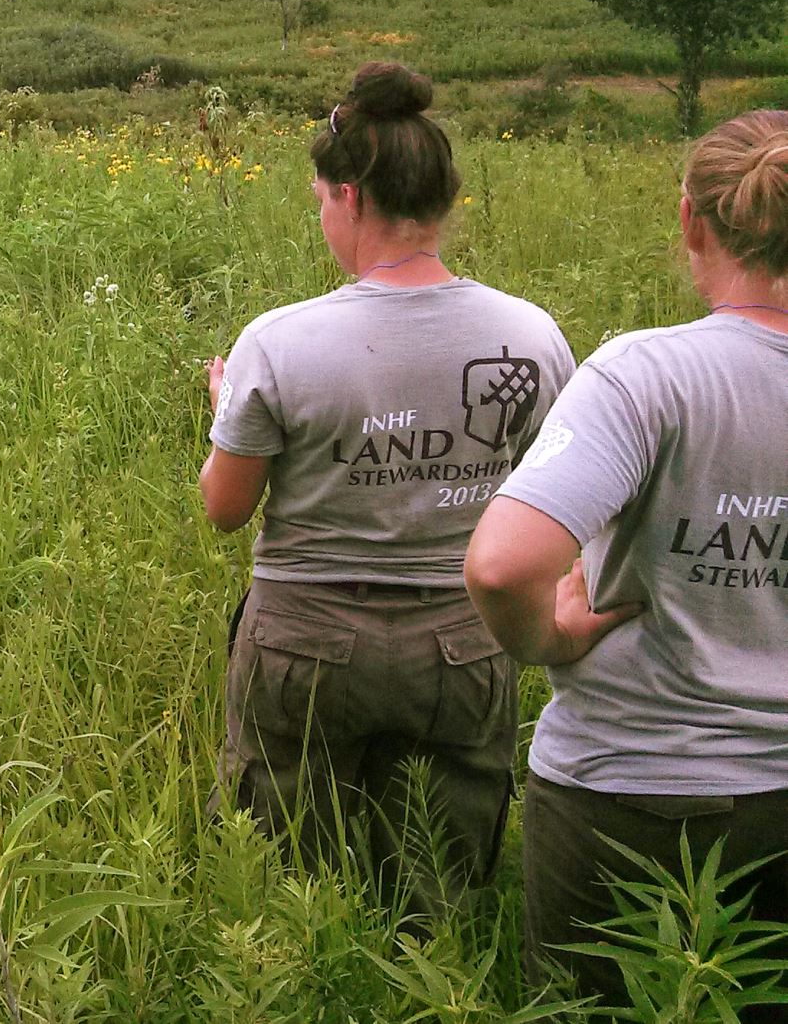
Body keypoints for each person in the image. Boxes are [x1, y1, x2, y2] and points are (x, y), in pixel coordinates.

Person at [203, 63, 573, 911]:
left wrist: (226, 414)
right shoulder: (531, 335)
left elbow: (225, 511)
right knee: (442, 885)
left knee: (290, 878)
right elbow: (551, 501)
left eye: (321, 198)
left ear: (351, 198)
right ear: (442, 199)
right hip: (464, 639)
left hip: (304, 641)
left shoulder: (280, 342)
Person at [468, 109, 788, 1013]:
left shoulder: (648, 376)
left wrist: (550, 638)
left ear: (692, 221)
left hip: (631, 792)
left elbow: (502, 565)